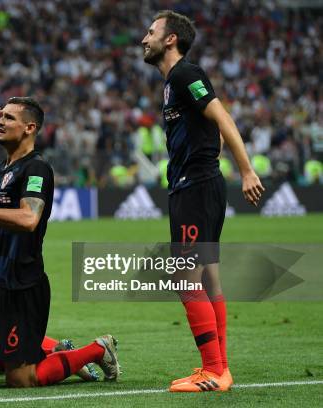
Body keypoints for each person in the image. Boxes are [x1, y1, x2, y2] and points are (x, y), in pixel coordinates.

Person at [0, 97, 120, 388]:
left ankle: (96, 350)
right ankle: (42, 350)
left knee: (21, 380)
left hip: (23, 288)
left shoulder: (37, 169)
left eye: (9, 118)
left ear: (29, 128)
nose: (0, 121)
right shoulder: (7, 167)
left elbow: (28, 218)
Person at [141, 11, 265, 392]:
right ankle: (221, 369)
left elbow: (222, 117)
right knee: (208, 277)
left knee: (185, 277)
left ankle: (211, 369)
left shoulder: (183, 75)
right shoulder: (171, 83)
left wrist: (246, 171)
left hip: (194, 187)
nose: (144, 39)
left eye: (151, 32)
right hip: (197, 184)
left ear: (170, 39)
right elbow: (212, 125)